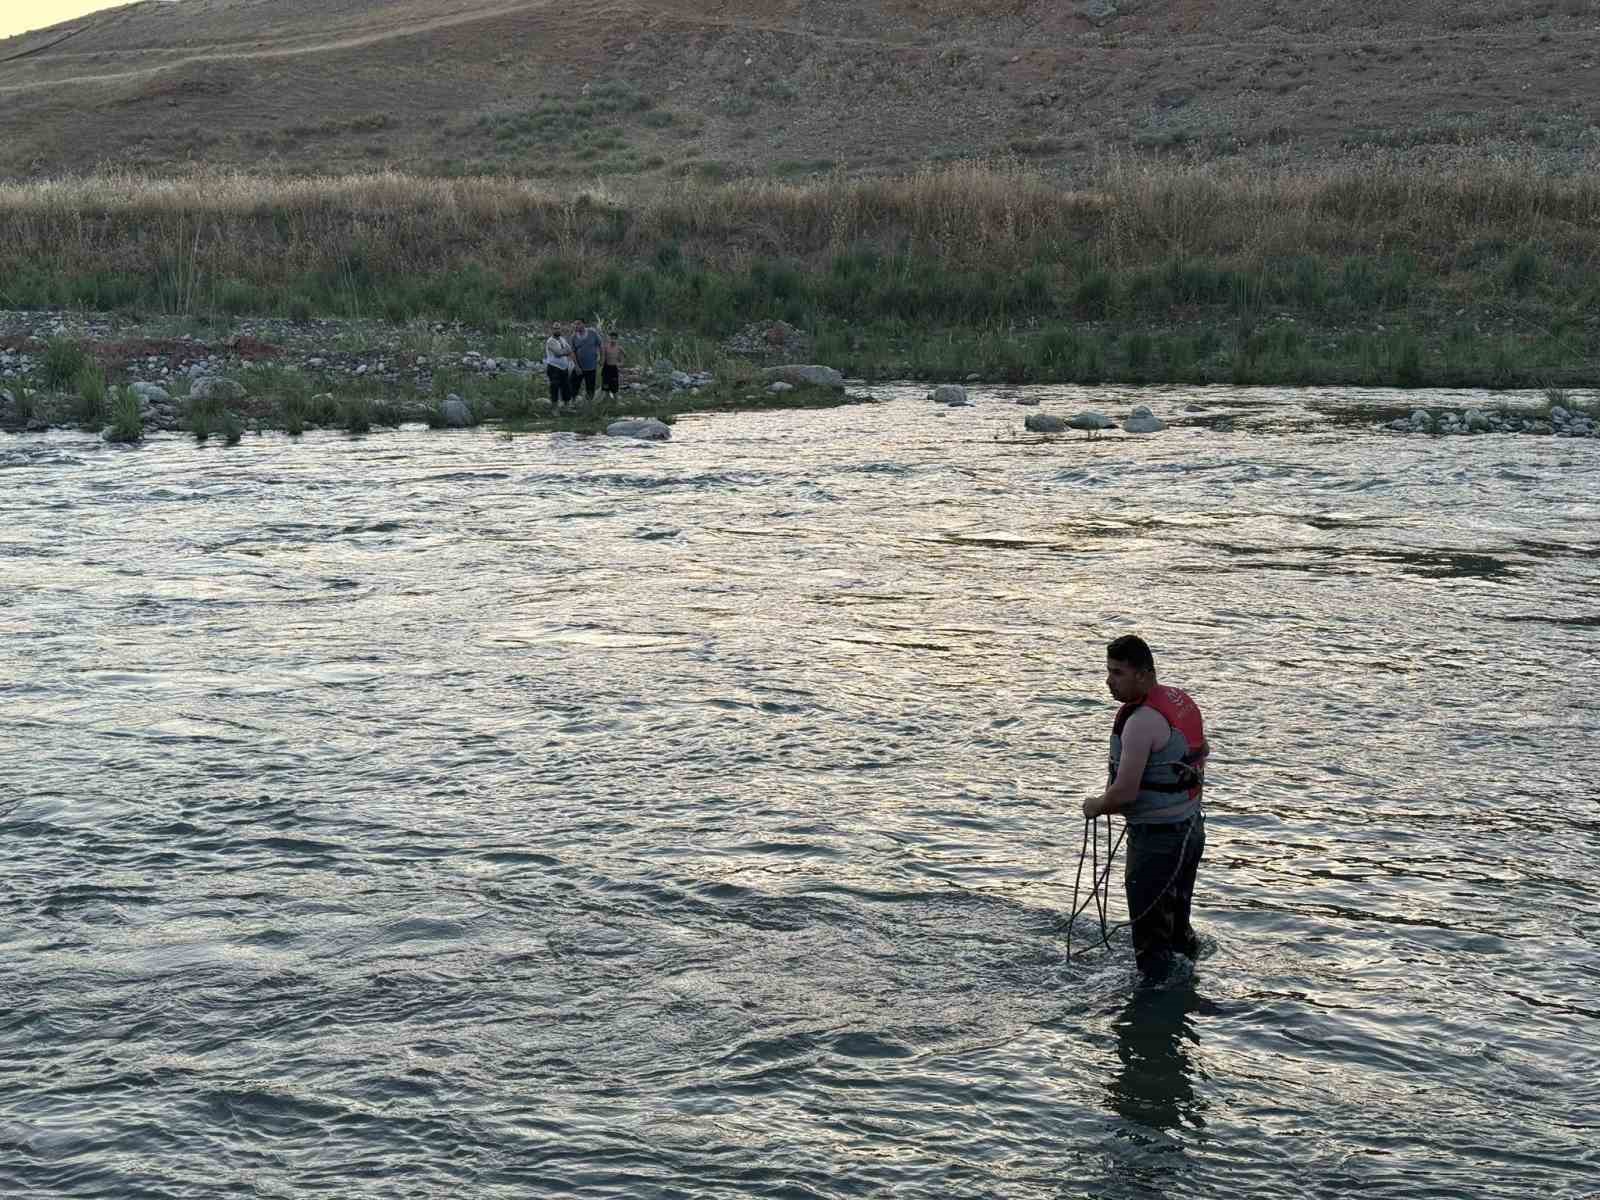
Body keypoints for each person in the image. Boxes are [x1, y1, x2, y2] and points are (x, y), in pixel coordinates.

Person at [1083, 634, 1208, 979]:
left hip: (1157, 842)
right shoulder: (1180, 701)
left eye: (1118, 673)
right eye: (1108, 671)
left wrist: (1094, 805)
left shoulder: (1140, 723)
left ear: (1144, 674)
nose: (1109, 681)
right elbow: (1202, 753)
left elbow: (1124, 793)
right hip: (1190, 832)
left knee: (1150, 942)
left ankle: (1151, 1006)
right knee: (1179, 928)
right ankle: (1188, 986)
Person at [570, 318, 602, 406]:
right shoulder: (573, 337)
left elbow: (600, 345)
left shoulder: (592, 333)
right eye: (575, 324)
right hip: (579, 367)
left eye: (578, 324)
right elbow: (572, 352)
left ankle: (589, 405)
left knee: (590, 387)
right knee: (573, 385)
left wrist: (601, 358)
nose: (576, 326)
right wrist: (576, 366)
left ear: (584, 324)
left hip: (591, 366)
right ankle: (572, 403)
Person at [543, 324, 574, 409]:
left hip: (564, 368)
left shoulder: (562, 339)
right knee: (554, 387)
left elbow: (570, 349)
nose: (557, 330)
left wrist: (564, 351)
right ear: (552, 330)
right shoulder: (550, 341)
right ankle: (555, 408)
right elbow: (558, 353)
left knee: (566, 387)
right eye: (555, 329)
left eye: (558, 328)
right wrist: (565, 351)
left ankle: (567, 406)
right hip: (554, 368)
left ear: (560, 329)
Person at [600, 329, 623, 402]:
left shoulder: (619, 348)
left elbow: (622, 359)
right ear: (609, 338)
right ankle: (607, 401)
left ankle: (616, 401)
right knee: (606, 386)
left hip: (614, 369)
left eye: (614, 338)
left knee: (615, 387)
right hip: (606, 368)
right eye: (611, 338)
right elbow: (603, 358)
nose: (612, 339)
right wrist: (600, 362)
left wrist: (619, 364)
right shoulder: (605, 347)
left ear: (617, 339)